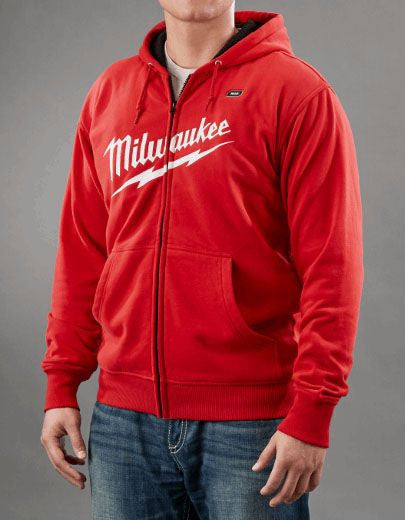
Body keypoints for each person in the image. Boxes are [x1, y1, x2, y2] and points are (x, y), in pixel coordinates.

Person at [39, 1, 364, 518]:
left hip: (251, 425)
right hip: (123, 422)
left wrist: (312, 411)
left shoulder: (297, 93)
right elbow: (82, 253)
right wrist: (61, 384)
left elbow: (332, 266)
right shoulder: (111, 92)